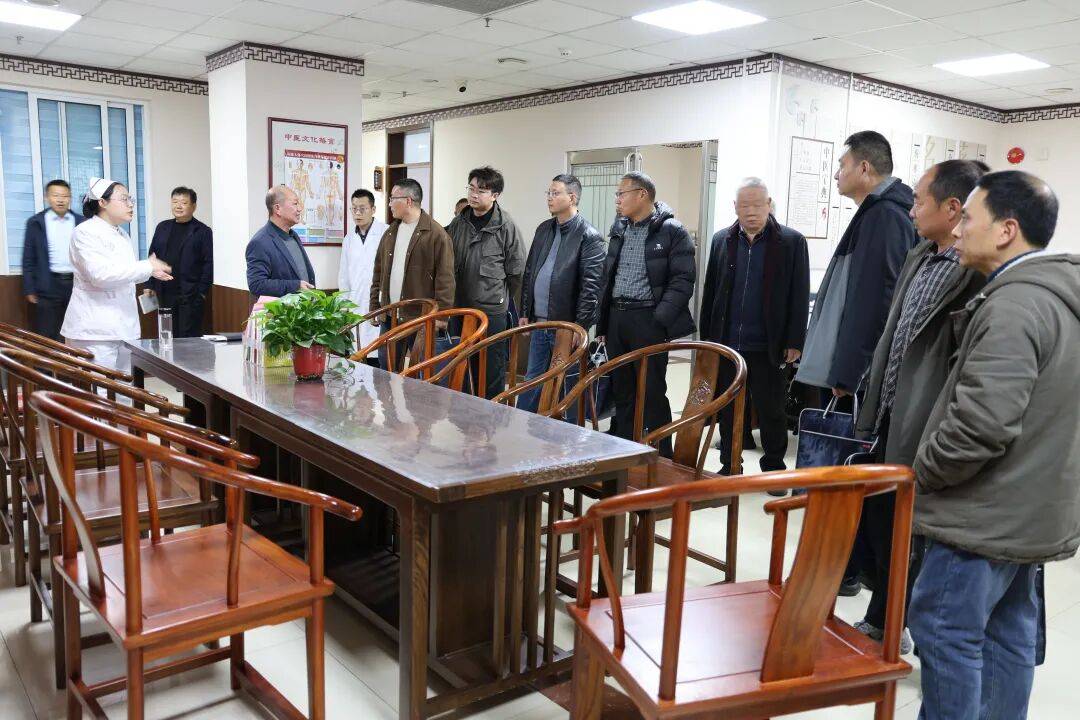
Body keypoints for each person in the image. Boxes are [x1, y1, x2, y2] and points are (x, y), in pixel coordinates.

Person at [909, 171, 1079, 720]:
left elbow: (980, 426)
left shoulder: (1014, 307)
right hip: (1030, 512)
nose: (957, 230)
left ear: (1006, 230)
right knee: (1008, 636)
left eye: (968, 218)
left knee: (944, 632)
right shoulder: (1056, 296)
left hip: (982, 518)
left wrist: (924, 471)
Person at [851, 159, 988, 655]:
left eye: (918, 201)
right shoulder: (921, 255)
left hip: (927, 419)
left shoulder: (973, 274)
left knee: (910, 527)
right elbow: (894, 331)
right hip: (892, 409)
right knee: (883, 518)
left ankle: (890, 622)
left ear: (952, 209)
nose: (911, 209)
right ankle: (886, 614)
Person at [700, 177, 809, 481]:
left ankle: (773, 468)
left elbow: (799, 295)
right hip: (727, 343)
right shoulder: (722, 240)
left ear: (768, 205)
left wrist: (795, 340)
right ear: (735, 207)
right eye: (745, 205)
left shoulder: (791, 241)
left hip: (768, 344)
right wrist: (707, 339)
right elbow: (711, 292)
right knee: (727, 408)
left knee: (771, 409)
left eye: (757, 205)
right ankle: (729, 464)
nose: (751, 212)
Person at [796, 130, 917, 402]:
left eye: (842, 165)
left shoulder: (885, 216)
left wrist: (849, 372)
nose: (836, 174)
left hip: (860, 373)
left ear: (864, 168)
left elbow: (874, 299)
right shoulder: (879, 211)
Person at [596, 171, 695, 458]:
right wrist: (603, 324)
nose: (617, 199)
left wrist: (660, 318)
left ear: (642, 194)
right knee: (622, 391)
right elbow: (608, 277)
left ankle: (663, 456)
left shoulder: (672, 230)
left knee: (652, 391)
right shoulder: (619, 228)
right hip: (618, 318)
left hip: (648, 319)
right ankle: (623, 453)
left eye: (621, 193)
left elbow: (683, 280)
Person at [61, 178, 172, 372]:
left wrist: (150, 270)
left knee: (125, 385)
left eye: (131, 199)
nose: (130, 204)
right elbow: (101, 276)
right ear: (102, 202)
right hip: (95, 331)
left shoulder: (122, 234)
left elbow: (126, 272)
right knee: (100, 388)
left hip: (123, 326)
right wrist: (146, 266)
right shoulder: (85, 232)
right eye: (124, 199)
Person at [517, 173, 605, 413]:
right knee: (533, 379)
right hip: (540, 322)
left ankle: (565, 431)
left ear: (572, 197)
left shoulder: (589, 236)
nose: (549, 198)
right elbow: (530, 271)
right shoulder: (544, 229)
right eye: (548, 193)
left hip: (566, 327)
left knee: (566, 383)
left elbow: (591, 287)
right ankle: (523, 425)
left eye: (555, 193)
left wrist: (580, 325)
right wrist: (525, 311)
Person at [447, 166, 525, 398]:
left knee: (491, 370)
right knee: (460, 367)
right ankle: (463, 414)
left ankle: (490, 416)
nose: (474, 195)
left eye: (481, 191)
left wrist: (497, 296)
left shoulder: (506, 226)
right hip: (460, 308)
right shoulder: (458, 223)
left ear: (495, 195)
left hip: (491, 311)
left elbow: (516, 272)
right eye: (471, 188)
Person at [369, 179, 455, 369]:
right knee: (387, 369)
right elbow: (378, 272)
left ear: (408, 201)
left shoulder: (436, 234)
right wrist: (375, 305)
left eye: (393, 198)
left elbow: (446, 280)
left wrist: (442, 316)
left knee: (422, 372)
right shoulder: (390, 232)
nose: (390, 204)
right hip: (390, 316)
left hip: (420, 318)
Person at [145, 186, 212, 337]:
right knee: (166, 336)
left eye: (184, 202)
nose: (178, 206)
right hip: (164, 293)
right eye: (175, 202)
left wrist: (202, 293)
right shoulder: (162, 227)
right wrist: (149, 284)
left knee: (187, 339)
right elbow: (152, 257)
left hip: (190, 296)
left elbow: (209, 263)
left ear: (193, 206)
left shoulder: (203, 231)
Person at [22, 179, 84, 341]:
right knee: (47, 334)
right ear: (47, 197)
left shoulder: (82, 222)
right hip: (48, 285)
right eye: (56, 195)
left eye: (64, 196)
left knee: (76, 331)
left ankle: (73, 359)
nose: (60, 200)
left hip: (76, 285)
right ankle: (47, 360)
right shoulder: (36, 222)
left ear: (70, 198)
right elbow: (28, 258)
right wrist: (29, 289)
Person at [340, 188, 389, 364]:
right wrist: (343, 306)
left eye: (362, 208)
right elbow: (344, 276)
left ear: (373, 209)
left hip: (378, 304)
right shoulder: (349, 239)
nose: (358, 213)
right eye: (354, 209)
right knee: (357, 358)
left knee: (379, 358)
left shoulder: (386, 232)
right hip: (355, 305)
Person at [246, 185, 315, 298]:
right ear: (278, 208)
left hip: (305, 306)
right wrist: (295, 286)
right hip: (281, 309)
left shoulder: (293, 235)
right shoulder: (260, 242)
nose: (299, 208)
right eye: (295, 203)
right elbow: (256, 285)